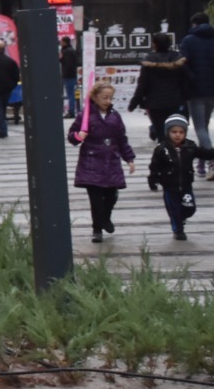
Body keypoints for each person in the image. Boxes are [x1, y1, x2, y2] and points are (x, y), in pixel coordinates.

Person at [70, 83, 135, 243]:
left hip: (111, 161)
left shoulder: (115, 116)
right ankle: (97, 228)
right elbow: (72, 136)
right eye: (104, 97)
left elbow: (121, 139)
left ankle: (105, 217)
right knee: (96, 198)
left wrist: (129, 158)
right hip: (91, 162)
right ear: (95, 97)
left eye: (110, 98)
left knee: (111, 195)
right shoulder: (84, 116)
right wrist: (79, 136)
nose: (107, 101)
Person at [147, 114, 214, 241]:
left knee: (190, 208)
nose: (177, 135)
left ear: (185, 133)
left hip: (186, 185)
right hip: (169, 186)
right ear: (168, 132)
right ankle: (178, 230)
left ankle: (182, 218)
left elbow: (203, 153)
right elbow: (155, 166)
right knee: (174, 210)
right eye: (174, 132)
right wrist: (153, 179)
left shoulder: (190, 146)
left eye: (181, 132)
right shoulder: (162, 149)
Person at [127, 32, 188, 143]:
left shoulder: (149, 61)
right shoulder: (178, 59)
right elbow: (188, 80)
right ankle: (177, 157)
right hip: (176, 101)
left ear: (155, 44)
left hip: (155, 104)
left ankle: (165, 156)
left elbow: (142, 85)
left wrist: (134, 103)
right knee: (177, 132)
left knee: (161, 134)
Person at [179, 13, 214, 177]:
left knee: (200, 126)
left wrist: (190, 80)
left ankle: (211, 161)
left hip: (196, 90)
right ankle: (201, 164)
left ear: (194, 24)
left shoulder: (189, 41)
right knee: (204, 126)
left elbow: (182, 64)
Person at [59, 36, 80, 120]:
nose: (60, 43)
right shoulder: (71, 50)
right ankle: (72, 110)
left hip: (68, 75)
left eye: (61, 41)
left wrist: (61, 58)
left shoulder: (66, 51)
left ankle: (71, 111)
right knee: (71, 93)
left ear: (64, 42)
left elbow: (68, 64)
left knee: (70, 93)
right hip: (72, 75)